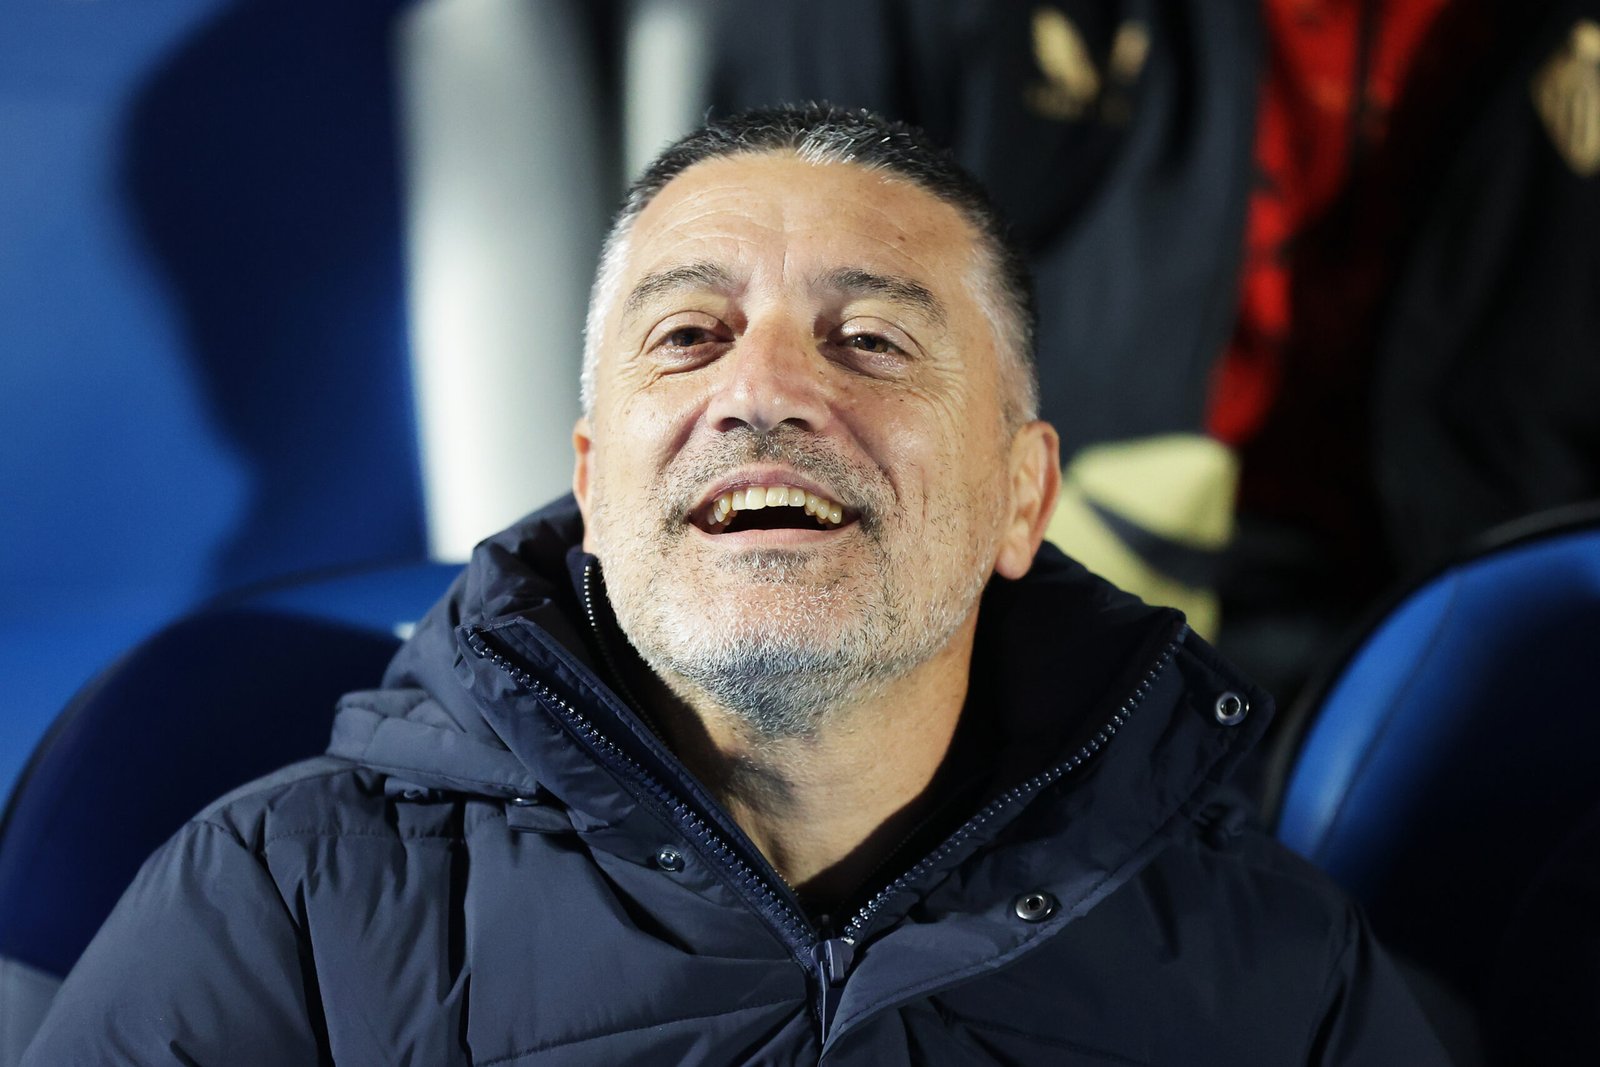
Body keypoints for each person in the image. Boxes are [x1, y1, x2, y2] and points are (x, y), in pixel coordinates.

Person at [22, 105, 1448, 1064]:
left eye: (874, 343)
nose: (762, 391)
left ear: (1024, 496)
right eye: (691, 334)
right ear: (592, 484)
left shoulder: (1281, 980)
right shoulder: (273, 909)